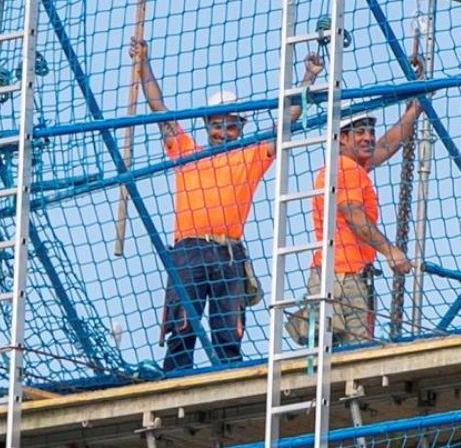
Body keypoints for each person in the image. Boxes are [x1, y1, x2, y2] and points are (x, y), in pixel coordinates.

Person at [130, 38, 322, 371]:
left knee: (227, 327)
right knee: (182, 323)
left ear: (239, 128)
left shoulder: (249, 156)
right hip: (189, 250)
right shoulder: (187, 152)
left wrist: (308, 78)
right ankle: (176, 374)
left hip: (227, 252)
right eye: (217, 125)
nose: (224, 132)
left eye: (231, 126)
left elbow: (286, 122)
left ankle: (228, 373)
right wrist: (144, 64)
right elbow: (159, 108)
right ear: (206, 126)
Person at [287, 102, 422, 345]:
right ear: (342, 139)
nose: (369, 138)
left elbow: (386, 145)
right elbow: (353, 215)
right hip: (343, 278)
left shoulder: (350, 168)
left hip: (340, 275)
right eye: (360, 132)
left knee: (339, 354)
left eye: (370, 132)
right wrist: (390, 251)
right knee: (355, 354)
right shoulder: (345, 168)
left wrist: (413, 110)